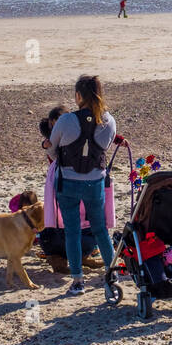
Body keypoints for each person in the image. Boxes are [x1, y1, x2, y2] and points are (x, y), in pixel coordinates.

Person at [48, 75, 119, 296]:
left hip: (68, 182)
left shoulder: (66, 120)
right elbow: (106, 146)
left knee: (72, 231)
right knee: (100, 229)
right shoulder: (109, 121)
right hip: (95, 181)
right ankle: (111, 272)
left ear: (78, 95)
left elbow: (52, 149)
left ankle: (78, 281)